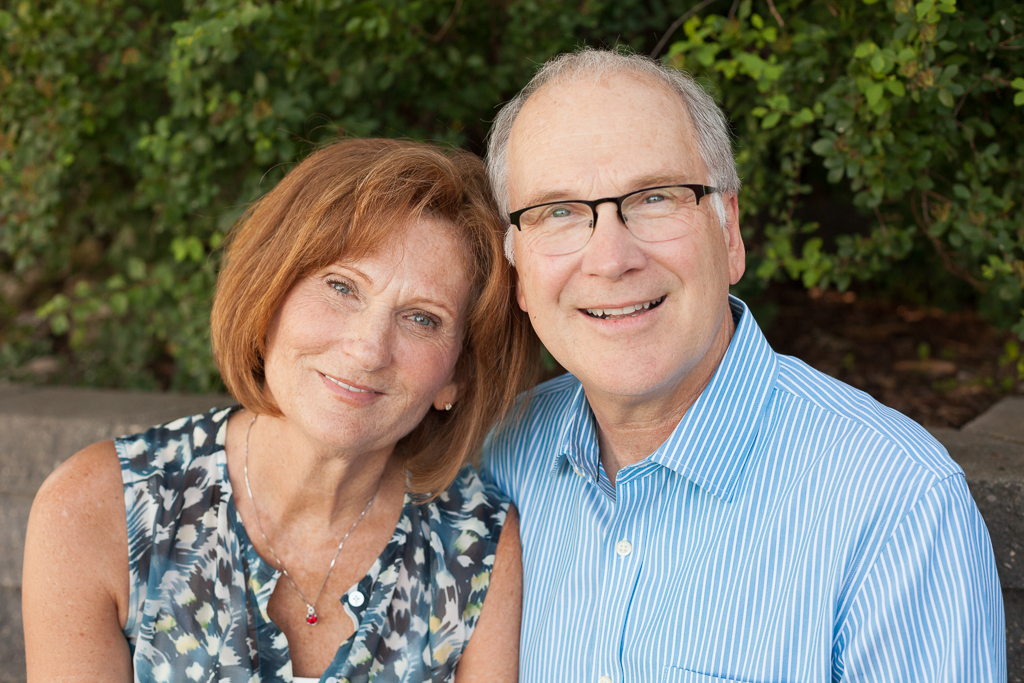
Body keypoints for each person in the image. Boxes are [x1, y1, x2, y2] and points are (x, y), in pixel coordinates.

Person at [481, 48, 1005, 682]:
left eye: (654, 198)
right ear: (518, 274)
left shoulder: (897, 505)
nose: (610, 258)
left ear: (728, 233)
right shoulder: (495, 457)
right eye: (557, 212)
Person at [23, 137, 539, 682]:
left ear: (456, 374)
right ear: (268, 296)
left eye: (422, 319)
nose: (367, 348)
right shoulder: (101, 508)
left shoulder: (474, 543)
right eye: (341, 286)